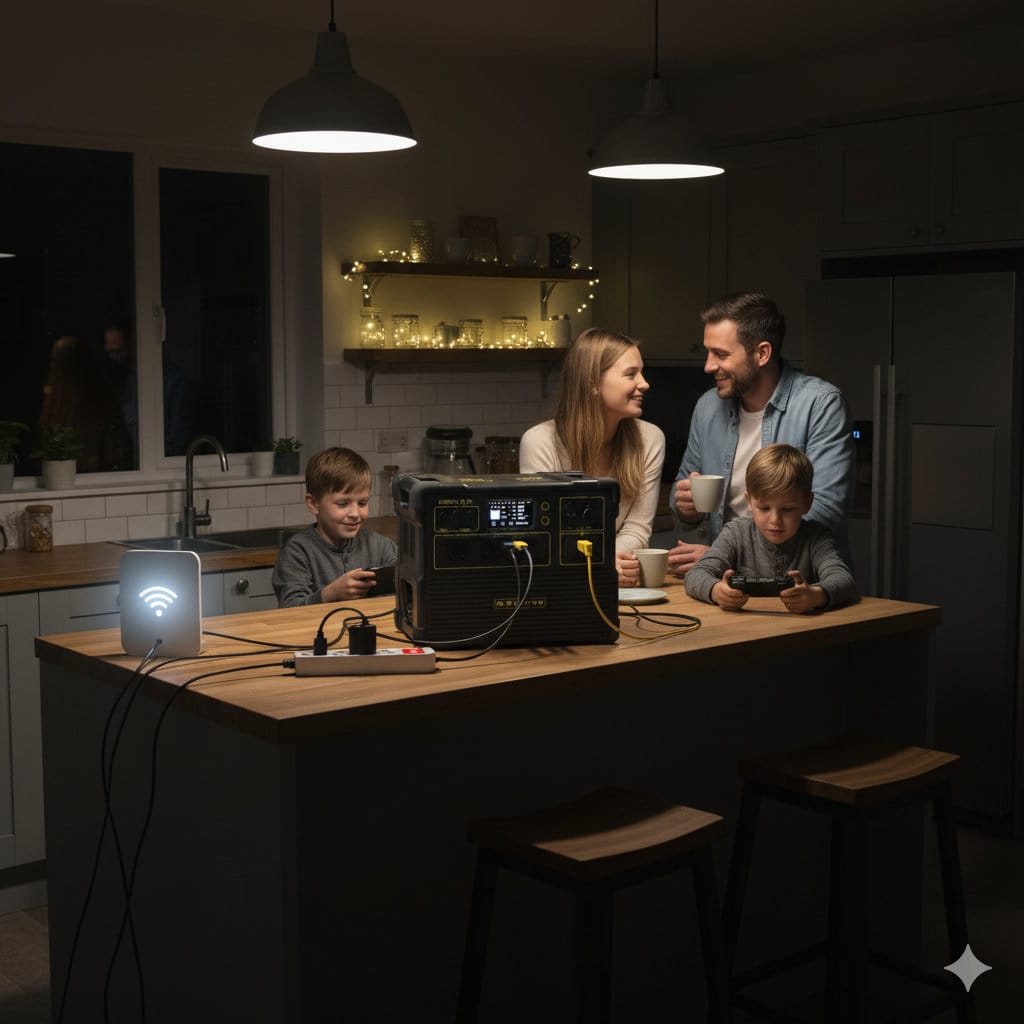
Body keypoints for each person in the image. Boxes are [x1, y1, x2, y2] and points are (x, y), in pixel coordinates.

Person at [668, 292, 854, 577]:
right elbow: (682, 490)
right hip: (723, 582)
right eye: (708, 352)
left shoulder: (821, 403)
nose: (708, 366)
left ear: (762, 353)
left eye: (721, 354)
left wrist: (727, 557)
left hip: (801, 587)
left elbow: (823, 512)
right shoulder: (708, 406)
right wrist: (685, 506)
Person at [519, 327, 665, 587]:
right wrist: (600, 561)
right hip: (556, 585)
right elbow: (542, 536)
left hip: (617, 579)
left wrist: (607, 561)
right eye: (631, 374)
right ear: (593, 384)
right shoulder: (540, 442)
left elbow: (637, 529)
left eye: (641, 372)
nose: (645, 383)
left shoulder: (650, 439)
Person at [684, 444, 857, 613]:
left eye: (787, 509)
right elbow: (696, 574)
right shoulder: (735, 533)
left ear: (807, 503)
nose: (775, 520)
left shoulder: (816, 537)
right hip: (746, 631)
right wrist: (716, 591)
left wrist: (815, 596)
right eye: (764, 508)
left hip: (802, 633)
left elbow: (843, 579)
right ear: (749, 501)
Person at [272, 447, 398, 607]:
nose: (355, 513)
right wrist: (330, 594)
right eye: (342, 504)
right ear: (313, 504)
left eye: (362, 503)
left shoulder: (379, 546)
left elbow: (408, 585)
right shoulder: (297, 552)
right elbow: (289, 608)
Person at [40, 334, 128, 472]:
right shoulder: (54, 400)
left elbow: (112, 446)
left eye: (57, 362)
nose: (53, 366)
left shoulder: (99, 398)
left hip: (92, 472)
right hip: (68, 470)